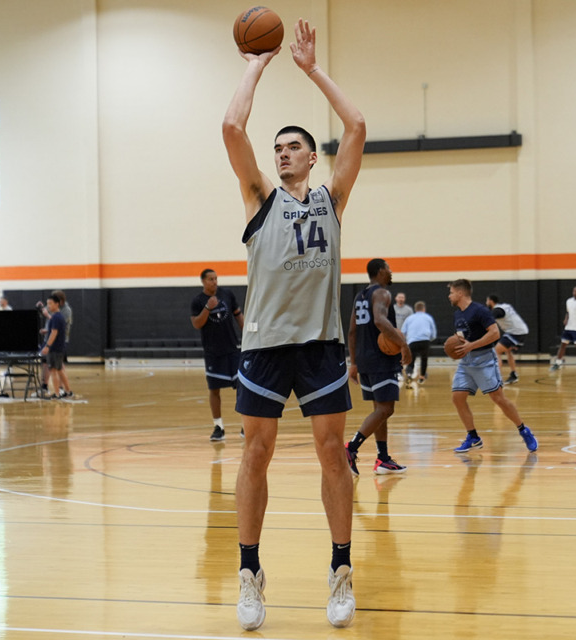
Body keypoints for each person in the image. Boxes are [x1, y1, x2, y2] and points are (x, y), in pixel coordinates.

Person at [221, 18, 365, 631]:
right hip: (264, 347)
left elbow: (357, 127)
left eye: (291, 147)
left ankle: (341, 570)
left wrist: (311, 69)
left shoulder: (331, 199)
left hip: (321, 346)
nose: (281, 153)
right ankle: (250, 575)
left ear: (312, 156)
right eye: (276, 146)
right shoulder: (259, 197)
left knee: (334, 454)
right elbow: (231, 128)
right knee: (256, 454)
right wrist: (257, 63)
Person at [448, 280, 538, 453]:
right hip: (466, 362)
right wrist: (456, 348)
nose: (449, 296)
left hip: (484, 360)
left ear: (460, 293)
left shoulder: (479, 310)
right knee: (457, 397)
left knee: (498, 398)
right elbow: (460, 337)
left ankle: (524, 430)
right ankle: (473, 437)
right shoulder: (457, 314)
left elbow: (495, 333)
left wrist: (471, 345)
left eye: (451, 292)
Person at [346, 259, 411, 477]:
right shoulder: (381, 294)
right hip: (380, 359)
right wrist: (403, 344)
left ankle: (383, 459)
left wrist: (353, 362)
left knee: (379, 411)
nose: (391, 272)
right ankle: (351, 448)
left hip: (364, 359)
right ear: (381, 271)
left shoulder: (359, 296)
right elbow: (380, 321)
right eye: (389, 269)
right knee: (386, 409)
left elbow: (352, 331)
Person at [191, 268, 244, 442]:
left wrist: (249, 334)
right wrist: (208, 307)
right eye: (211, 279)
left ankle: (246, 425)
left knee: (242, 387)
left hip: (232, 349)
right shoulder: (198, 301)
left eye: (216, 278)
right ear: (203, 282)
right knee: (214, 390)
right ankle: (218, 427)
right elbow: (197, 324)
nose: (214, 282)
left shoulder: (227, 294)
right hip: (213, 352)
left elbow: (238, 315)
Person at [485, 294, 529, 385]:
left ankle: (497, 379)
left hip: (516, 332)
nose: (486, 303)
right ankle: (514, 374)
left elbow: (491, 318)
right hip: (518, 331)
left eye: (487, 301)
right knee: (508, 351)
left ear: (490, 301)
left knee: (496, 351)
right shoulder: (505, 306)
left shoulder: (498, 310)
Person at [40, 294, 73, 399]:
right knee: (60, 370)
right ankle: (68, 391)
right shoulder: (58, 317)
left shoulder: (55, 317)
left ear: (57, 304)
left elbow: (54, 333)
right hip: (59, 348)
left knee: (53, 371)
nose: (48, 306)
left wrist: (47, 346)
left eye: (50, 303)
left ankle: (57, 393)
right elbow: (55, 331)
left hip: (54, 348)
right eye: (47, 303)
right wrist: (47, 331)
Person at [401, 300, 437, 383]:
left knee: (411, 359)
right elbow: (433, 334)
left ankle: (409, 374)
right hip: (425, 341)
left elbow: (403, 331)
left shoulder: (409, 318)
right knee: (424, 359)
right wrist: (429, 339)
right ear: (424, 309)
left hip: (412, 341)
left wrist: (407, 341)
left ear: (415, 309)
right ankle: (422, 377)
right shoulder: (428, 317)